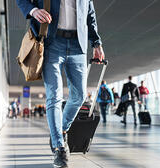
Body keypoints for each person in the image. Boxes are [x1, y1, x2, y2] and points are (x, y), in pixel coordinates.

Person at [17, 0, 105, 167]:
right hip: (51, 43)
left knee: (79, 96)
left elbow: (90, 15)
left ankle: (61, 130)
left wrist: (97, 43)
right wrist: (34, 10)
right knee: (54, 96)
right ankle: (59, 148)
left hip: (78, 46)